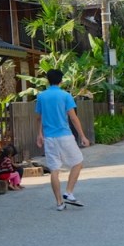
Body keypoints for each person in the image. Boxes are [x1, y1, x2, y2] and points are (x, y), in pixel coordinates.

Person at [35, 69, 89, 211]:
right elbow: (73, 117)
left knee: (54, 170)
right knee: (78, 163)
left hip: (49, 138)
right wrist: (82, 136)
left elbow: (39, 118)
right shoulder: (65, 95)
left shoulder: (41, 96)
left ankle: (59, 203)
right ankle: (69, 192)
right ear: (61, 80)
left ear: (48, 80)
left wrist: (39, 134)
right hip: (64, 135)